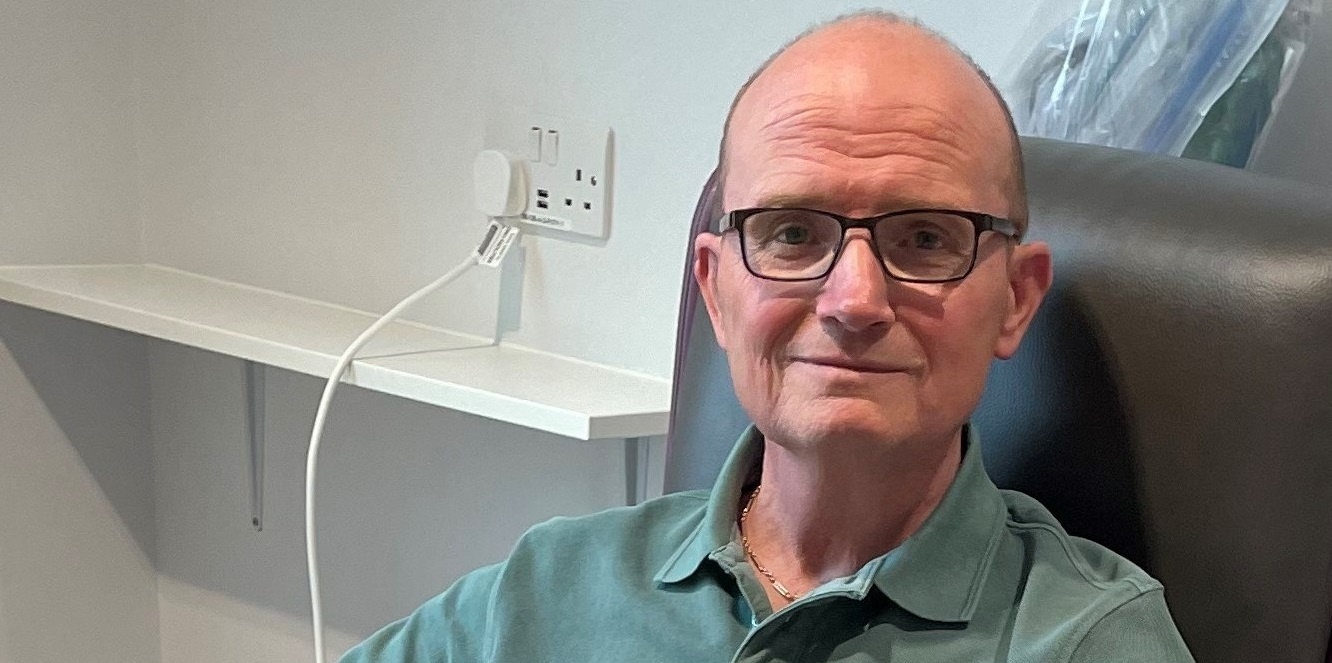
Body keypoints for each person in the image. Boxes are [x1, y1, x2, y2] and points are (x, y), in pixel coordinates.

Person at [340, 10, 1195, 662]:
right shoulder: (547, 592)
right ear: (715, 291)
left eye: (926, 238)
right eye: (792, 233)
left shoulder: (1087, 640)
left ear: (1014, 298)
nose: (855, 299)